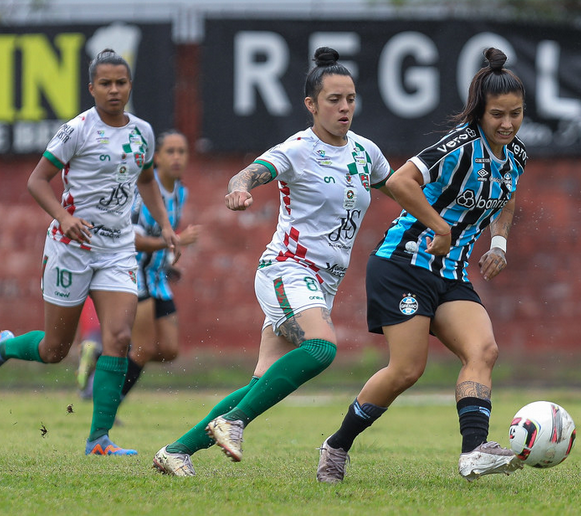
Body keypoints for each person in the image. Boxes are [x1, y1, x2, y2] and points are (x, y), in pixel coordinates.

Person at [152, 46, 393, 477]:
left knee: (259, 384)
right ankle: (233, 422)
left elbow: (400, 189)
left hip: (323, 283)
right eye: (334, 100)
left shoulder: (366, 152)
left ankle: (175, 451)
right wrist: (240, 188)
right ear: (311, 104)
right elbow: (247, 173)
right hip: (286, 270)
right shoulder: (297, 149)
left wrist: (440, 213)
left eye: (350, 99)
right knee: (321, 348)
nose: (344, 108)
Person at [316, 47, 527, 484]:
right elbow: (399, 181)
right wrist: (439, 226)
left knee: (483, 351)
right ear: (479, 113)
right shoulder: (459, 146)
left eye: (516, 114)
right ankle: (336, 446)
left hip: (450, 274)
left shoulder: (516, 155)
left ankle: (474, 452)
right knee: (407, 369)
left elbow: (506, 198)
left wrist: (499, 244)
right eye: (497, 115)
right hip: (403, 265)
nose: (507, 124)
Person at [0, 48, 180, 456]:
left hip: (117, 249)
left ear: (130, 86)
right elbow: (37, 180)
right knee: (54, 350)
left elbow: (147, 181)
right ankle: (7, 345)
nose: (114, 90)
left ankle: (99, 439)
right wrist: (64, 217)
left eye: (121, 83)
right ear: (92, 88)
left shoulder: (143, 132)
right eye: (105, 83)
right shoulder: (76, 130)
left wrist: (166, 225)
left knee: (119, 337)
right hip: (71, 249)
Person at [75, 131, 201, 402]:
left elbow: (161, 236)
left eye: (182, 151)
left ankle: (100, 356)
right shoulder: (143, 189)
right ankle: (107, 404)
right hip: (134, 274)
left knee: (168, 350)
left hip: (157, 277)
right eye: (170, 151)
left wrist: (167, 262)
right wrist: (176, 241)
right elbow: (132, 239)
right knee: (143, 348)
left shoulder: (181, 191)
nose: (177, 157)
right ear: (157, 157)